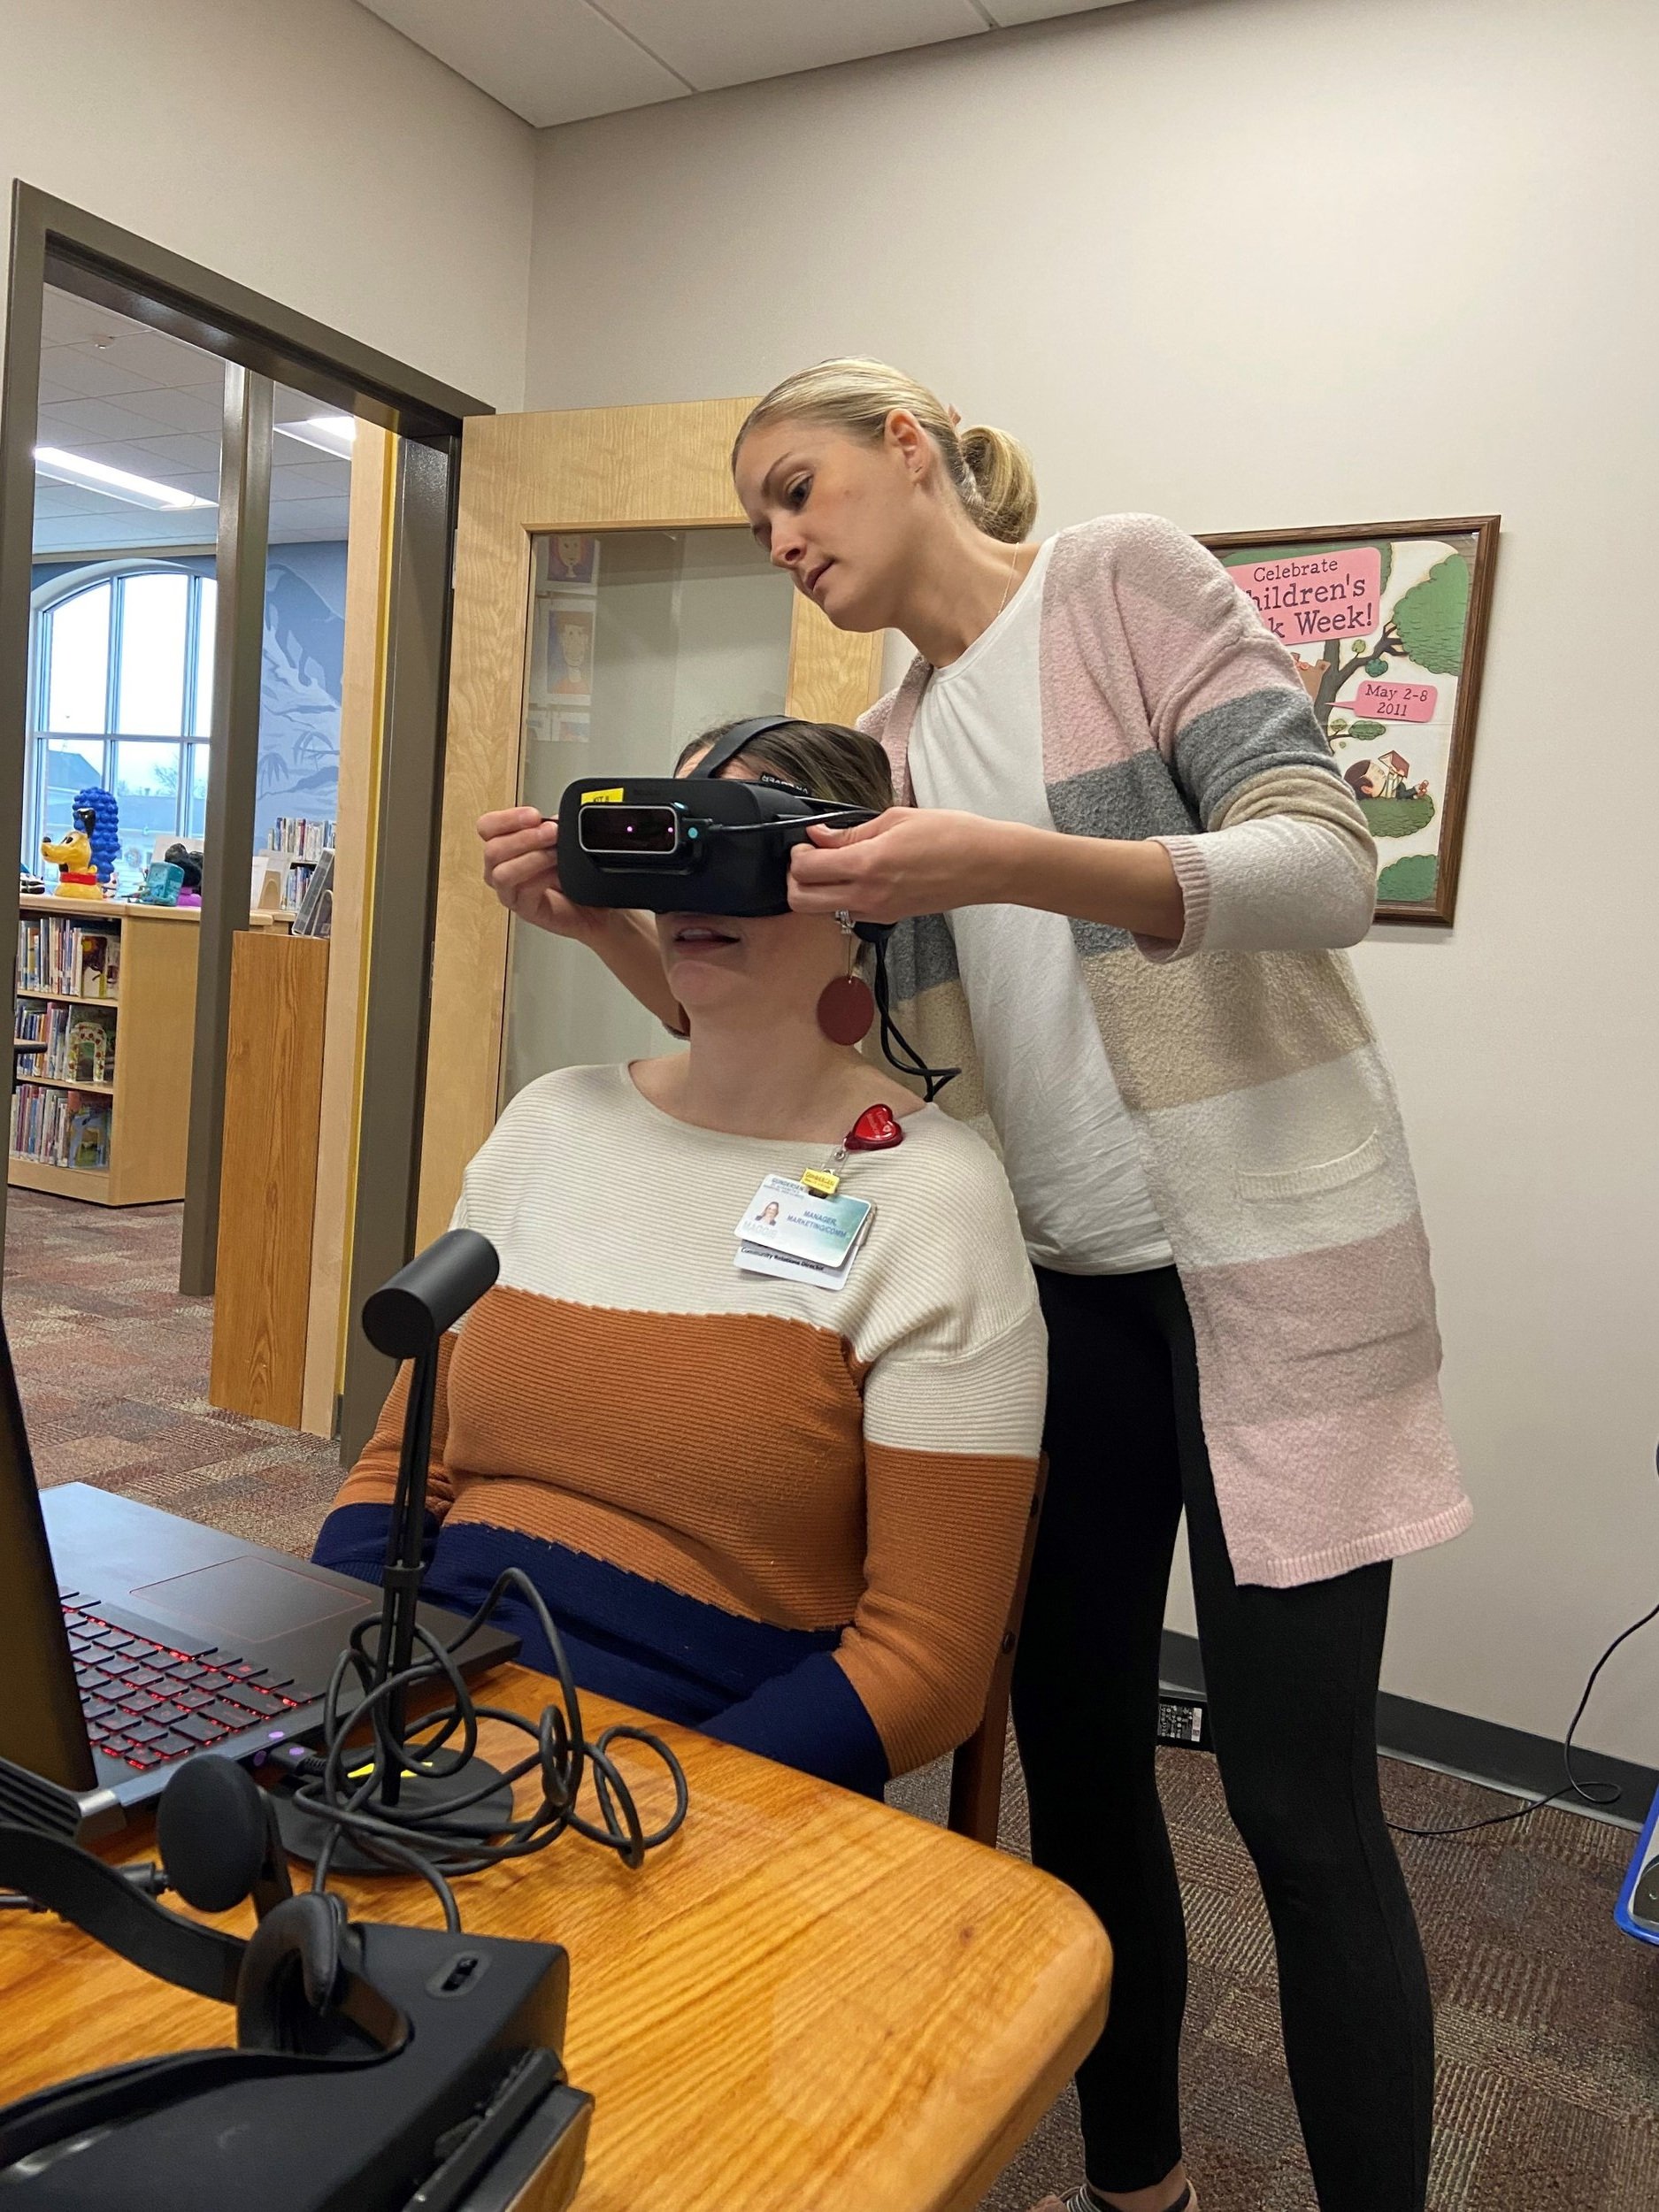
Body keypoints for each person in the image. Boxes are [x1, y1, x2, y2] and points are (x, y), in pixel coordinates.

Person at [479, 360, 1470, 2212]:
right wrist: (612, 923)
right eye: (762, 517)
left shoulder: (1117, 583)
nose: (784, 540)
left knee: (1296, 1804)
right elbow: (814, 1032)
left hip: (1273, 1271)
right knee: (1079, 1753)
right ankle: (1136, 2178)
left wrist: (1000, 856)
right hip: (1068, 1285)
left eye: (799, 489)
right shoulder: (895, 737)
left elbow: (1324, 861)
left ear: (906, 448)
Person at [320, 717, 1045, 1799]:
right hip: (431, 1690)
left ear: (857, 886)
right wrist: (320, 1676)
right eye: (671, 841)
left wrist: (656, 1802)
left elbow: (928, 1665)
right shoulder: (551, 1122)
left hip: (692, 1764)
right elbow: (401, 1469)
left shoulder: (936, 1198)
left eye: (739, 842)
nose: (695, 886)